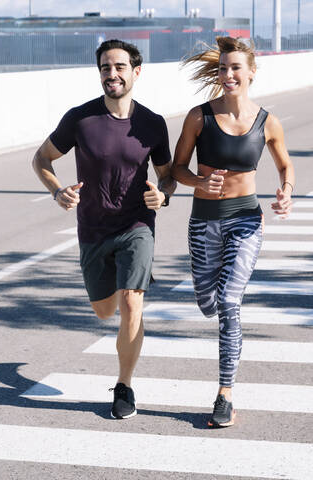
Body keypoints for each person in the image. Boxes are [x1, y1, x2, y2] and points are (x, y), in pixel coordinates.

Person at [32, 39, 176, 419]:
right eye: (105, 68)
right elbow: (42, 157)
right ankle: (124, 290)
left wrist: (162, 196)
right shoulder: (80, 119)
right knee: (103, 310)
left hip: (136, 225)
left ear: (136, 72)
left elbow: (168, 177)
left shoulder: (152, 124)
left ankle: (124, 385)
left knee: (131, 301)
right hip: (93, 230)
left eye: (119, 67)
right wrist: (56, 189)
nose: (111, 74)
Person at [171, 36, 294, 428]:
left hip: (246, 220)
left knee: (228, 301)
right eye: (223, 68)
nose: (227, 75)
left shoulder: (266, 122)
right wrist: (197, 184)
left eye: (235, 68)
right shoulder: (199, 116)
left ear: (251, 74)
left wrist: (286, 192)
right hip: (204, 222)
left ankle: (224, 394)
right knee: (208, 303)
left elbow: (286, 167)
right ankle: (215, 314)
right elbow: (177, 168)